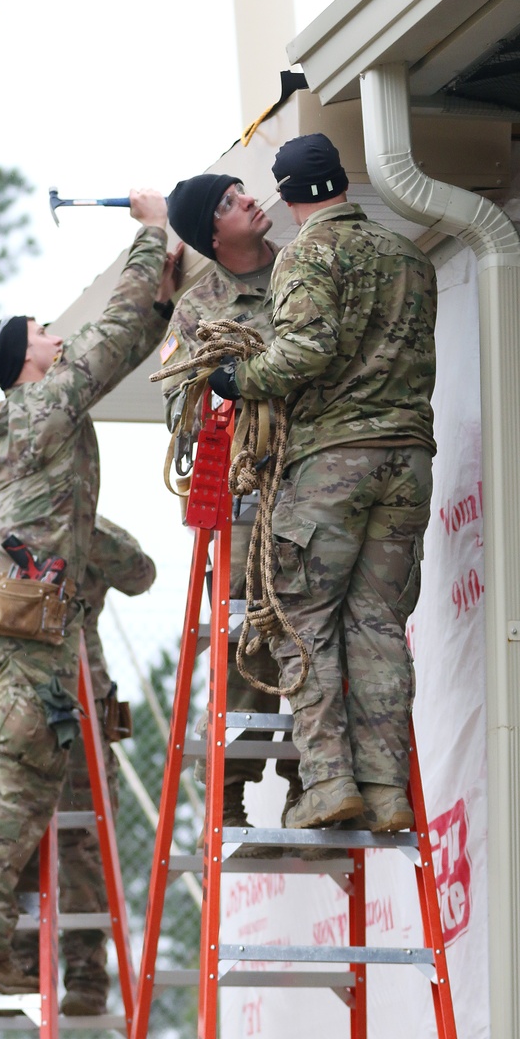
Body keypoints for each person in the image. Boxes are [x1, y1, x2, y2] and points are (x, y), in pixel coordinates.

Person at [0, 187, 179, 995]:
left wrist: (165, 298)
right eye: (44, 332)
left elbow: (123, 340)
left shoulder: (15, 420)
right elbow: (111, 338)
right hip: (35, 634)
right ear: (24, 362)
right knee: (18, 793)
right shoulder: (46, 403)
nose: (57, 336)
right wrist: (151, 236)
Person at [210, 134, 437, 833]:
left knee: (300, 623)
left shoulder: (307, 254)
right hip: (407, 458)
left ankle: (328, 782)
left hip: (333, 462)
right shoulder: (408, 255)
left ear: (288, 194)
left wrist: (235, 379)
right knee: (377, 625)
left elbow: (306, 350)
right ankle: (386, 788)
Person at [160, 174, 302, 827]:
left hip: (316, 480)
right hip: (247, 492)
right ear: (212, 234)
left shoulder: (306, 269)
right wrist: (220, 394)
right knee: (249, 636)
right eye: (230, 200)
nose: (251, 200)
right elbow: (178, 410)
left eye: (245, 192)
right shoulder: (199, 310)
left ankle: (312, 779)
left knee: (315, 631)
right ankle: (234, 787)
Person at [11, 515, 156, 1014]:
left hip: (79, 707)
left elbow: (140, 573)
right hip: (11, 700)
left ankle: (87, 975)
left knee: (82, 845)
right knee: (10, 835)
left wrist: (81, 521)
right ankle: (20, 966)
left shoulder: (82, 523)